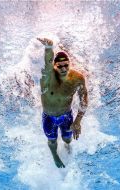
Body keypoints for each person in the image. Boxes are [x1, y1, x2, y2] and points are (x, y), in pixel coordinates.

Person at [37, 37, 88, 168]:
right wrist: (49, 48)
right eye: (60, 66)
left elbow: (84, 100)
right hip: (49, 117)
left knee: (67, 139)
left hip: (66, 115)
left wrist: (77, 121)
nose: (64, 68)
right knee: (52, 140)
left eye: (66, 65)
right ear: (55, 66)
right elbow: (47, 62)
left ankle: (66, 145)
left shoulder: (77, 78)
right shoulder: (48, 76)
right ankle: (55, 156)